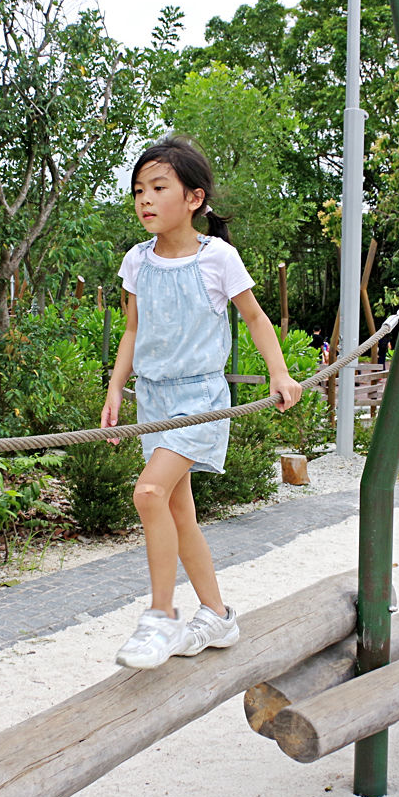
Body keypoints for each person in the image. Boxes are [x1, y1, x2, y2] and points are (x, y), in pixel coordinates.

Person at [102, 137, 302, 669]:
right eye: (139, 190)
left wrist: (278, 373)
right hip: (153, 398)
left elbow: (256, 318)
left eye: (158, 188)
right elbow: (132, 330)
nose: (145, 199)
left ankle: (160, 616)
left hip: (200, 400)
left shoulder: (218, 257)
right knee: (176, 509)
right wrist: (115, 388)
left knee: (149, 494)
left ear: (194, 198)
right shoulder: (137, 261)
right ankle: (217, 614)